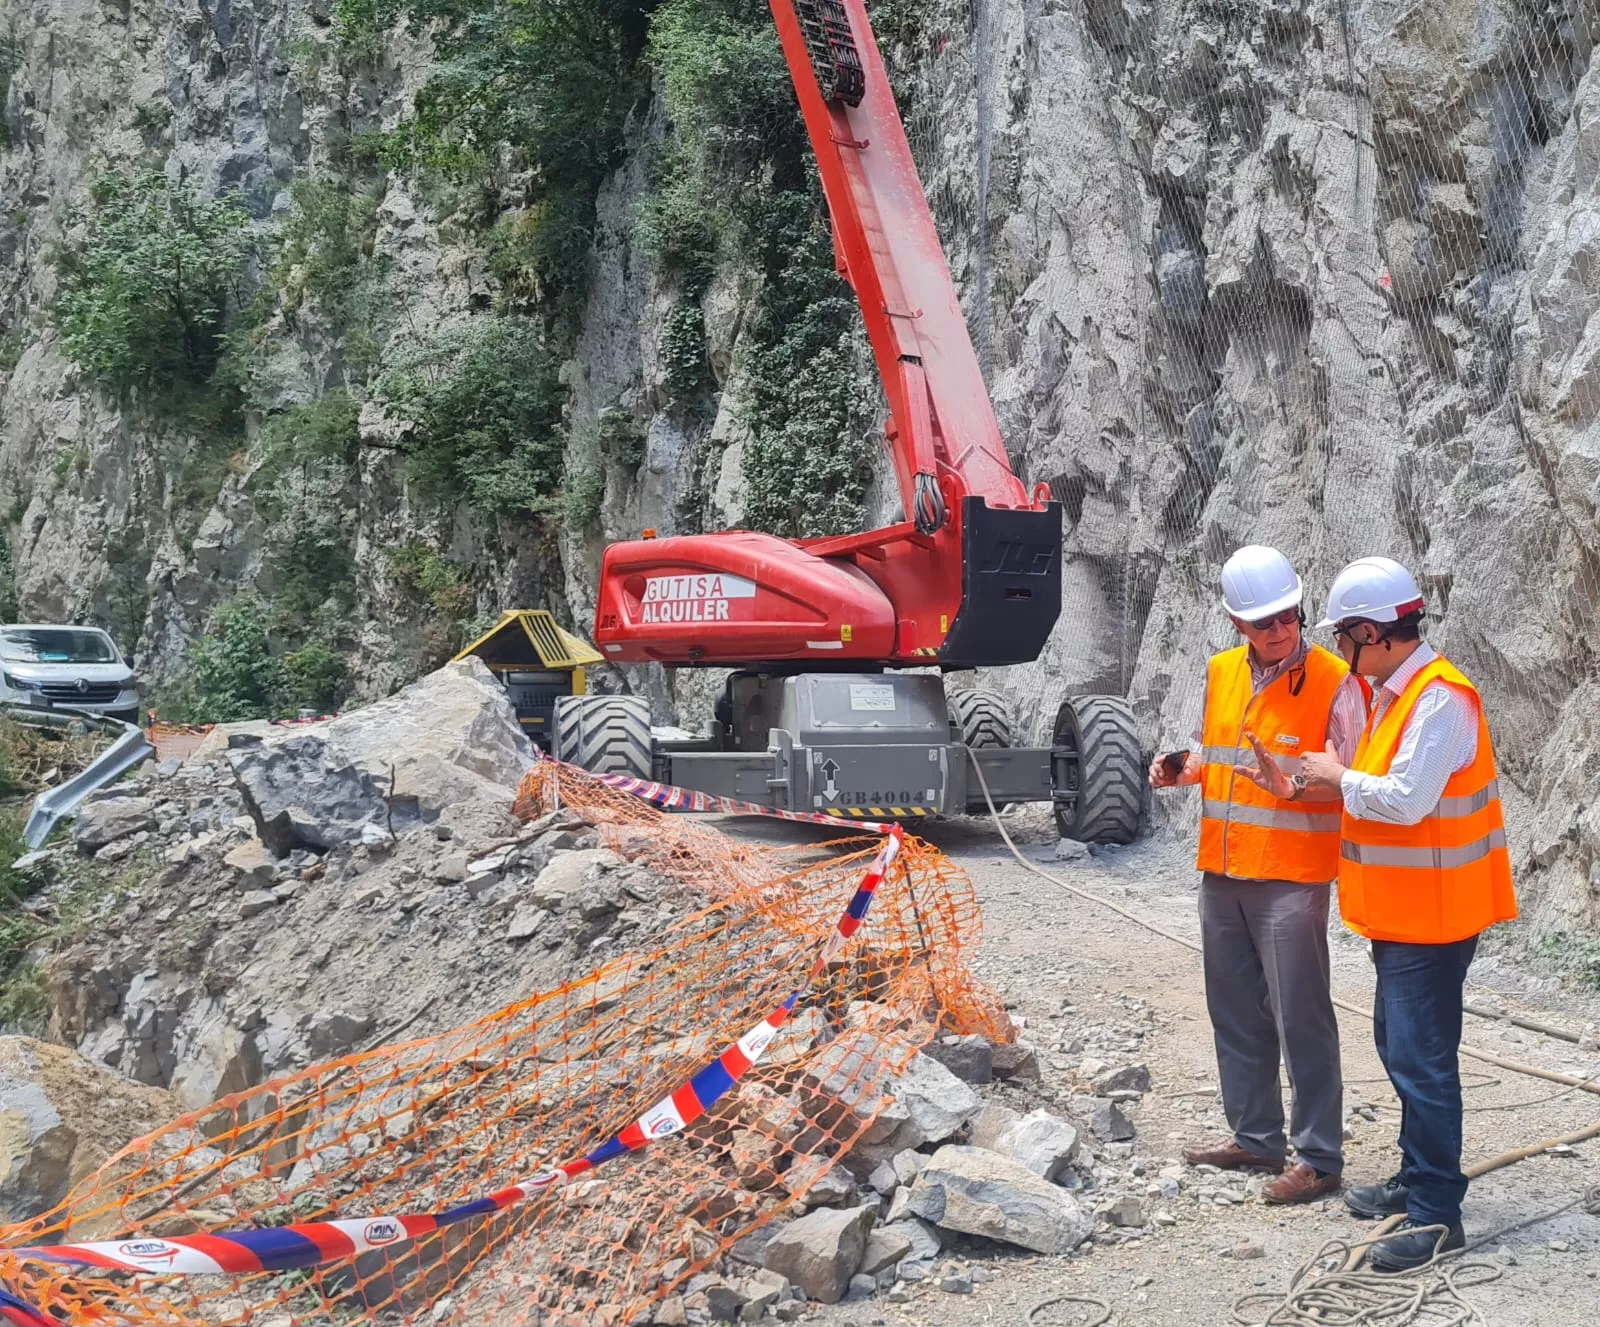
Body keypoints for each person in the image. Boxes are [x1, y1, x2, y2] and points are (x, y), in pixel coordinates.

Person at [1296, 556, 1517, 1272]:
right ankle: (1417, 1175)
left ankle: (1435, 1214)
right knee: (1400, 1046)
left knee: (1422, 1061)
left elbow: (1405, 799)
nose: (1339, 653)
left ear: (1370, 631)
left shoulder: (1438, 698)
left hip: (1435, 917)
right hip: (1406, 914)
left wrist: (1337, 775)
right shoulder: (1396, 692)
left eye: (1343, 639)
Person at [1150, 545, 1366, 1205]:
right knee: (1236, 1008)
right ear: (1238, 625)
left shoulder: (1336, 679)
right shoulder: (1221, 672)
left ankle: (1320, 1156)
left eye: (1289, 616)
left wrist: (1296, 787)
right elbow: (1215, 755)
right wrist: (1179, 769)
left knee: (1301, 1014)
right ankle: (1256, 1135)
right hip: (1224, 870)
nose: (1281, 629)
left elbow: (1358, 783)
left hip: (1293, 877)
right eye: (1264, 621)